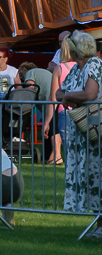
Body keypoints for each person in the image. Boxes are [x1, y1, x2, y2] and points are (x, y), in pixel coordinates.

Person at [56, 29, 102, 239]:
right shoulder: (75, 69)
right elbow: (58, 92)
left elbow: (90, 93)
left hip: (94, 133)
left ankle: (100, 223)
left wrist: (69, 97)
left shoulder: (94, 64)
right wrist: (69, 96)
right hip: (80, 133)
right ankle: (99, 223)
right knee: (90, 177)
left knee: (97, 176)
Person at [45, 36, 77, 166]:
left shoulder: (60, 69)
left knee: (69, 151)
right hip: (82, 110)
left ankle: (71, 182)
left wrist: (47, 121)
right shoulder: (84, 67)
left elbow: (53, 98)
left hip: (64, 111)